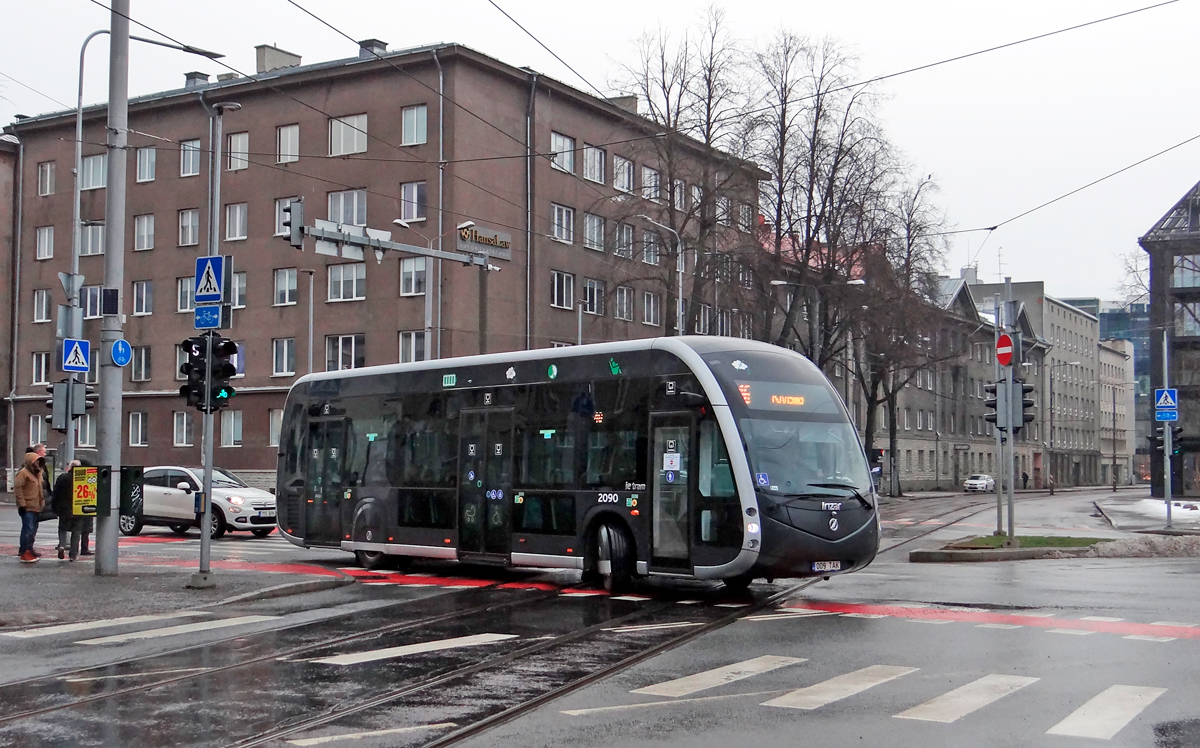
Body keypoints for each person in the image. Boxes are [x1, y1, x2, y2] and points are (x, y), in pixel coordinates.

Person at [15, 451, 45, 562]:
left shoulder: (38, 473)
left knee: (33, 530)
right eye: (35, 461)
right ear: (30, 462)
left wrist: (43, 503)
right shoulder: (23, 473)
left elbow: (40, 489)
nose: (37, 463)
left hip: (36, 506)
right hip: (27, 507)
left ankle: (29, 549)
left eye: (38, 461)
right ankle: (24, 552)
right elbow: (18, 490)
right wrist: (22, 504)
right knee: (27, 529)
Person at [52, 460, 80, 560]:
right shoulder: (82, 478)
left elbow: (55, 493)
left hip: (63, 508)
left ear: (70, 467)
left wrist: (54, 507)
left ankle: (62, 545)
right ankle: (73, 554)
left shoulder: (62, 478)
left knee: (62, 528)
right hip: (78, 508)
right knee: (76, 532)